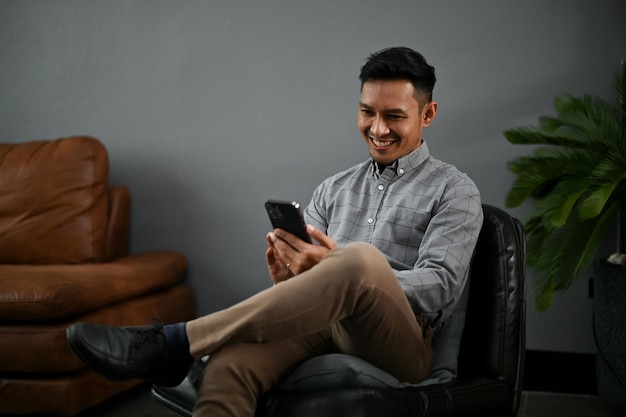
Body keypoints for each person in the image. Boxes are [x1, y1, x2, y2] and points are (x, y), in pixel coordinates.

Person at [67, 47, 483, 417]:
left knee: (358, 259)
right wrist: (298, 278)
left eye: (394, 116)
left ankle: (174, 343)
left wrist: (344, 270)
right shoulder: (334, 188)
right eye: (367, 112)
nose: (377, 129)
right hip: (323, 323)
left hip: (400, 341)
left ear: (427, 115)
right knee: (231, 365)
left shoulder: (454, 189)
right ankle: (191, 349)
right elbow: (315, 275)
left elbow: (441, 285)